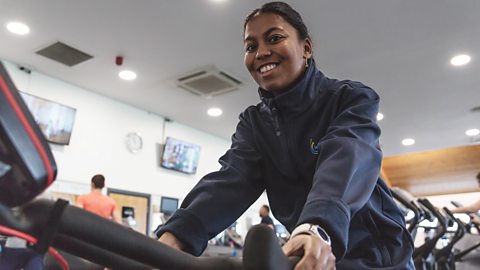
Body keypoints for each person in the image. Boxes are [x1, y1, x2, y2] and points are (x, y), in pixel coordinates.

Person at [157, 2, 414, 269]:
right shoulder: (254, 123)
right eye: (250, 46)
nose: (261, 53)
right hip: (306, 253)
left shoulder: (349, 99)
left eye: (275, 38)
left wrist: (318, 225)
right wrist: (171, 240)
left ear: (306, 48)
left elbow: (347, 154)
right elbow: (231, 181)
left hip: (375, 256)